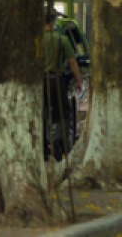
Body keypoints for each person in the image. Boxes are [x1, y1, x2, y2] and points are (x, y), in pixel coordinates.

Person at [43, 9, 82, 158]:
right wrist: (79, 80)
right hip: (57, 81)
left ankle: (44, 146)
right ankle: (60, 143)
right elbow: (72, 62)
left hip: (40, 82)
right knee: (63, 113)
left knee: (42, 113)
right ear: (53, 21)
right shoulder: (62, 40)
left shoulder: (36, 40)